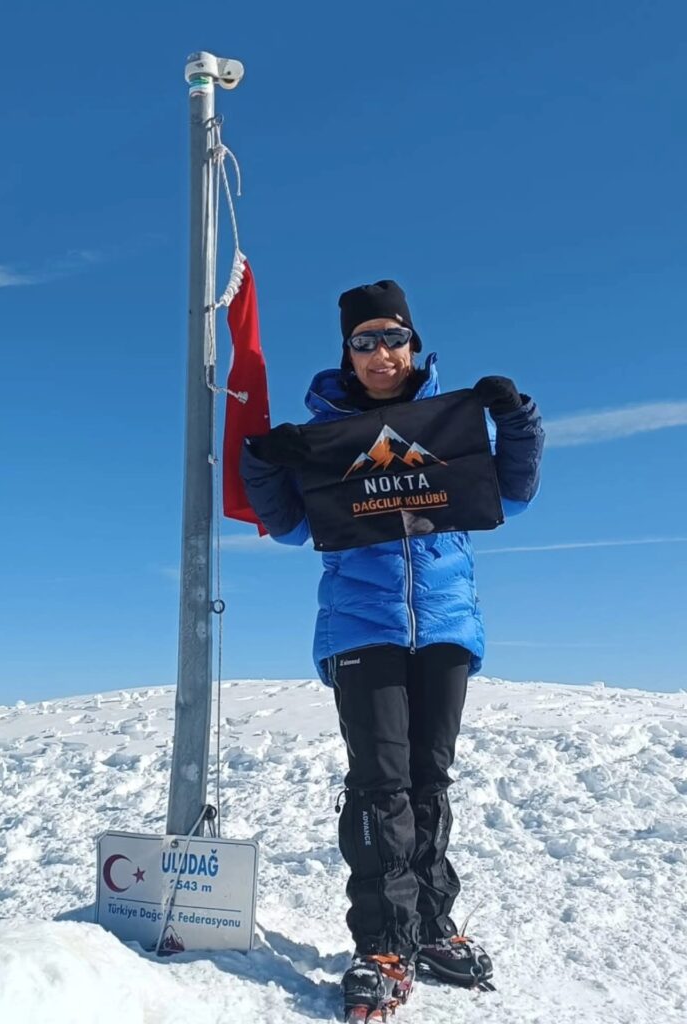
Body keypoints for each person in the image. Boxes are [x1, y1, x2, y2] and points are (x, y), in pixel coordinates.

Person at [239, 280, 544, 1021]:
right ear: (347, 352)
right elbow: (290, 526)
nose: (382, 353)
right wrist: (268, 461)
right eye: (365, 341)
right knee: (381, 786)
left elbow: (511, 493)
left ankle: (431, 927)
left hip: (444, 628)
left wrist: (517, 421)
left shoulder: (450, 426)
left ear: (414, 344)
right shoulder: (327, 433)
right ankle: (381, 943)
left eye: (394, 337)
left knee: (428, 781)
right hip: (361, 630)